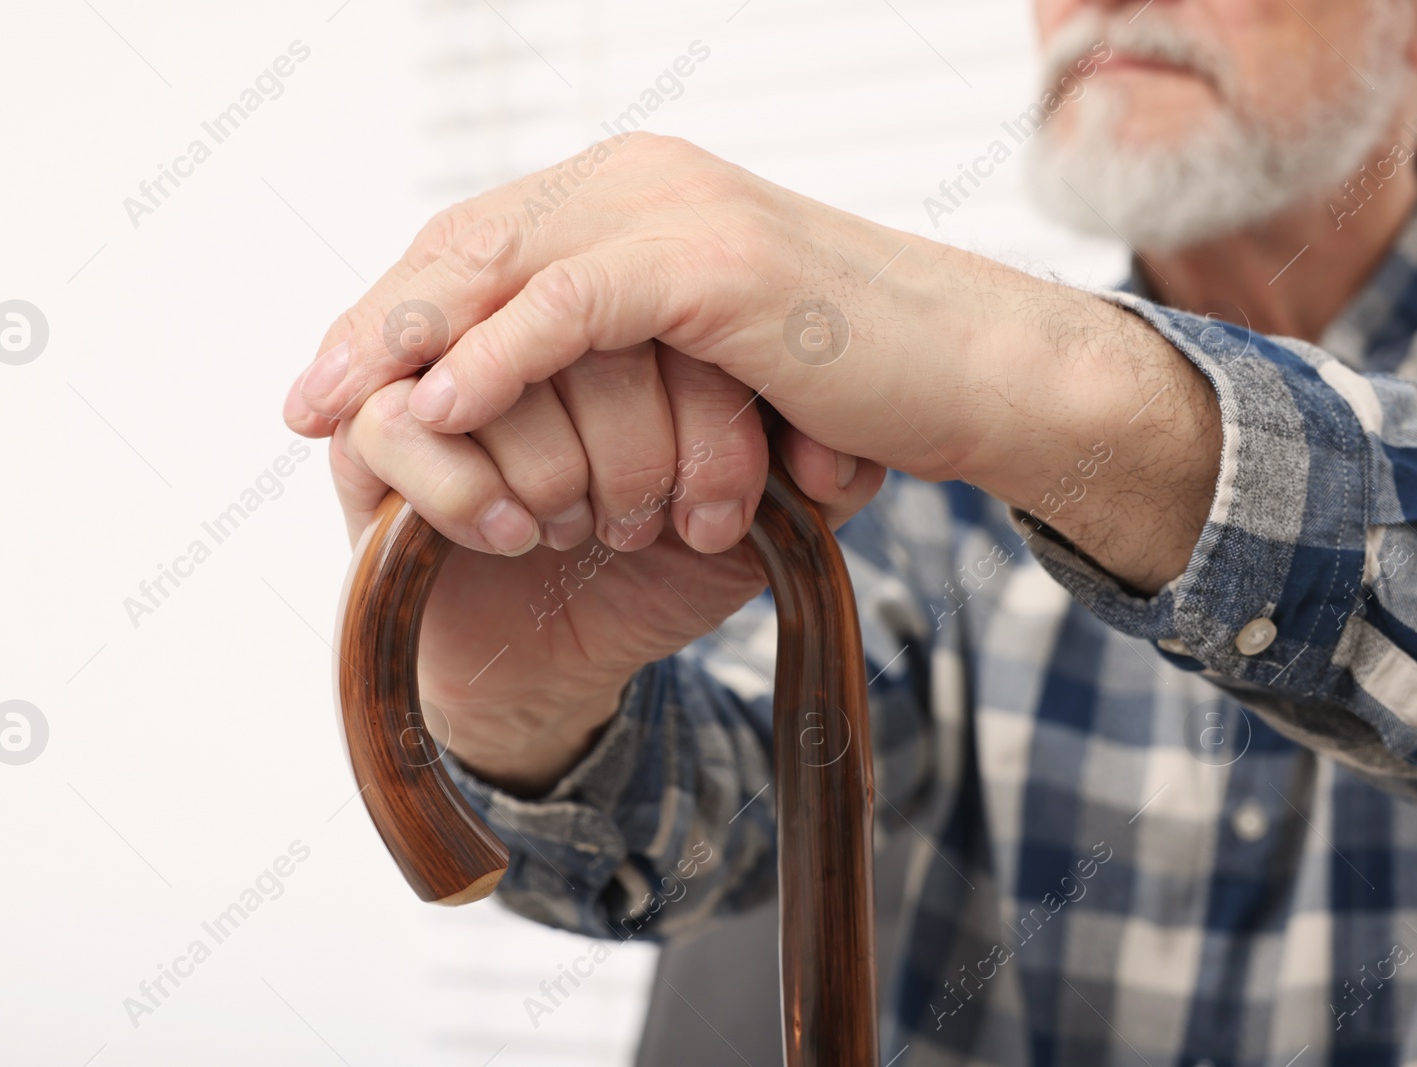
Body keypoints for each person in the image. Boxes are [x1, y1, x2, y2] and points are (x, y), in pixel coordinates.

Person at [283, 0, 1417, 1061]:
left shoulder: (975, 403)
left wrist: (1018, 369)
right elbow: (690, 831)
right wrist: (533, 702)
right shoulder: (929, 476)